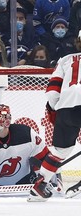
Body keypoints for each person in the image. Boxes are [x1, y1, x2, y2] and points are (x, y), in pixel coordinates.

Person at [27, 30, 81, 202]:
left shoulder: (65, 60)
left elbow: (52, 92)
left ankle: (39, 188)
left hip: (66, 107)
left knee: (60, 150)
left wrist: (54, 109)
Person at [0, 104, 60, 186]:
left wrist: (46, 180)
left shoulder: (26, 134)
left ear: (6, 120)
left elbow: (45, 158)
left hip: (24, 184)